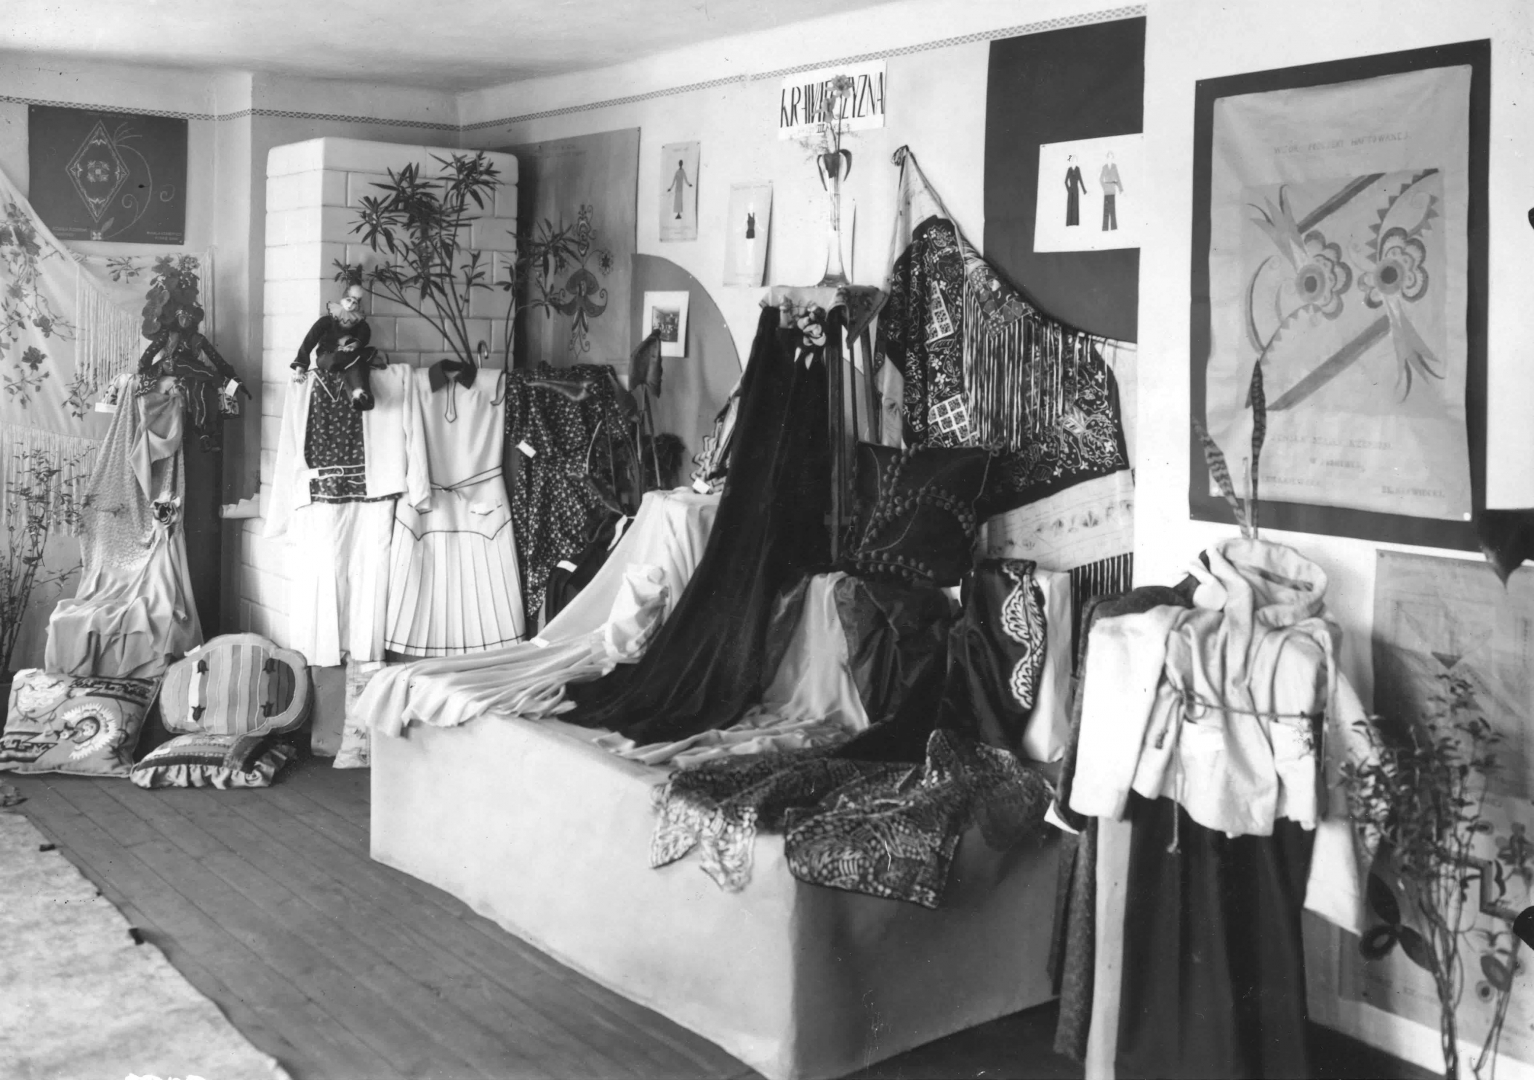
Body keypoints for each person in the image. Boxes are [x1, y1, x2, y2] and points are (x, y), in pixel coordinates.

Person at [137, 301, 247, 450]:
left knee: (199, 386)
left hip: (193, 370)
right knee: (202, 371)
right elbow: (151, 350)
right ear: (177, 318)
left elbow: (217, 359)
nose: (185, 321)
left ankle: (203, 432)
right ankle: (222, 382)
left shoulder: (199, 338)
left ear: (193, 321)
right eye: (182, 317)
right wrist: (143, 368)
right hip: (171, 365)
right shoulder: (169, 334)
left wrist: (234, 376)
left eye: (189, 318)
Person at [292, 280, 381, 410]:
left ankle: (360, 396)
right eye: (348, 300)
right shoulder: (326, 321)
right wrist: (300, 367)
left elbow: (363, 336)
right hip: (327, 357)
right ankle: (361, 390)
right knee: (354, 358)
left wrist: (353, 345)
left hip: (349, 356)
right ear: (342, 300)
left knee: (355, 361)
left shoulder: (360, 323)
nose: (350, 305)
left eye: (355, 302)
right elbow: (309, 340)